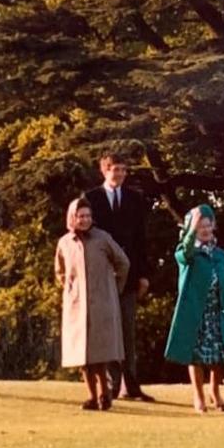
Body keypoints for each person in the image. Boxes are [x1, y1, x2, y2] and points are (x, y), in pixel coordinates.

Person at [82, 154, 153, 402]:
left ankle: (131, 386)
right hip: (102, 278)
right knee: (108, 332)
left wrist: (143, 275)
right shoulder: (91, 199)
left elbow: (141, 238)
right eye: (115, 169)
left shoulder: (135, 199)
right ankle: (111, 386)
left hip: (129, 276)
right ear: (104, 171)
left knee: (127, 332)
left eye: (123, 169)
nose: (120, 174)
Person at [55, 197, 130, 410]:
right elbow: (60, 271)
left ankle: (105, 394)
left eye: (88, 216)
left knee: (100, 354)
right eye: (80, 216)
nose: (85, 220)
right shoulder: (65, 243)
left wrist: (114, 288)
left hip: (102, 303)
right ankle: (91, 396)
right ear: (72, 217)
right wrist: (70, 289)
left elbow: (123, 262)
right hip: (77, 306)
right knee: (82, 356)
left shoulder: (102, 238)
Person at [164, 204, 224, 413]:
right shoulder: (188, 253)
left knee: (218, 356)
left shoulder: (221, 256)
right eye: (199, 226)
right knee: (195, 356)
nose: (204, 230)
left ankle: (215, 390)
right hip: (195, 313)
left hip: (217, 312)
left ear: (213, 226)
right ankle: (199, 395)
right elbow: (184, 252)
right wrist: (191, 227)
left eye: (207, 225)